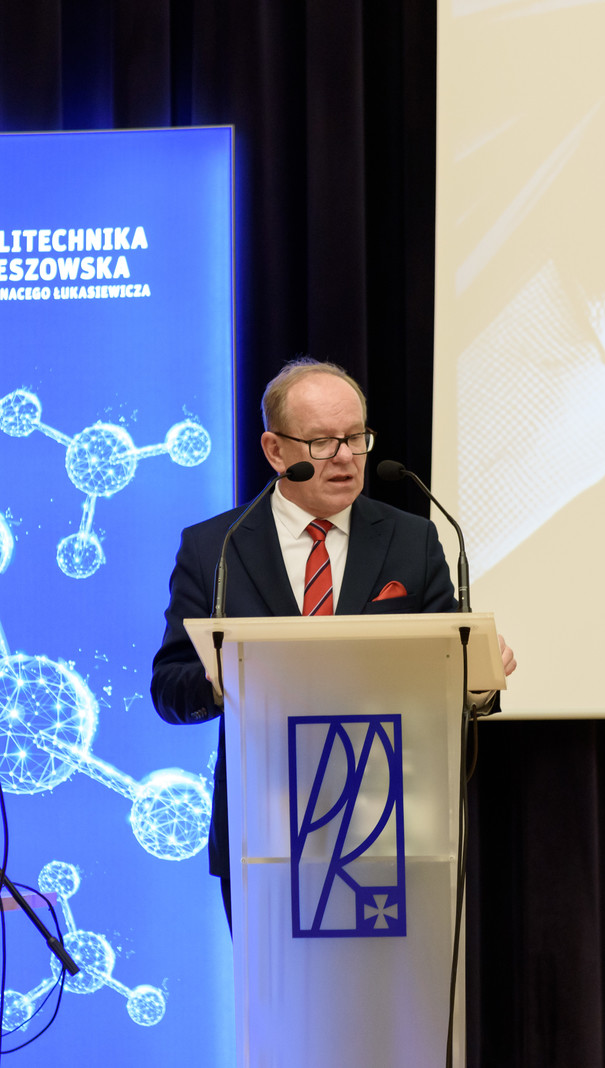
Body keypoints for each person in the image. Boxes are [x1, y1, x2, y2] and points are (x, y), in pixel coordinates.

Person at [151, 358, 516, 920]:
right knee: (273, 979)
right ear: (276, 451)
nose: (345, 456)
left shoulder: (412, 541)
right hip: (262, 831)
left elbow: (453, 664)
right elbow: (169, 690)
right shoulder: (215, 548)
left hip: (392, 825)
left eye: (355, 438)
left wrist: (476, 683)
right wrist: (220, 681)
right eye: (322, 442)